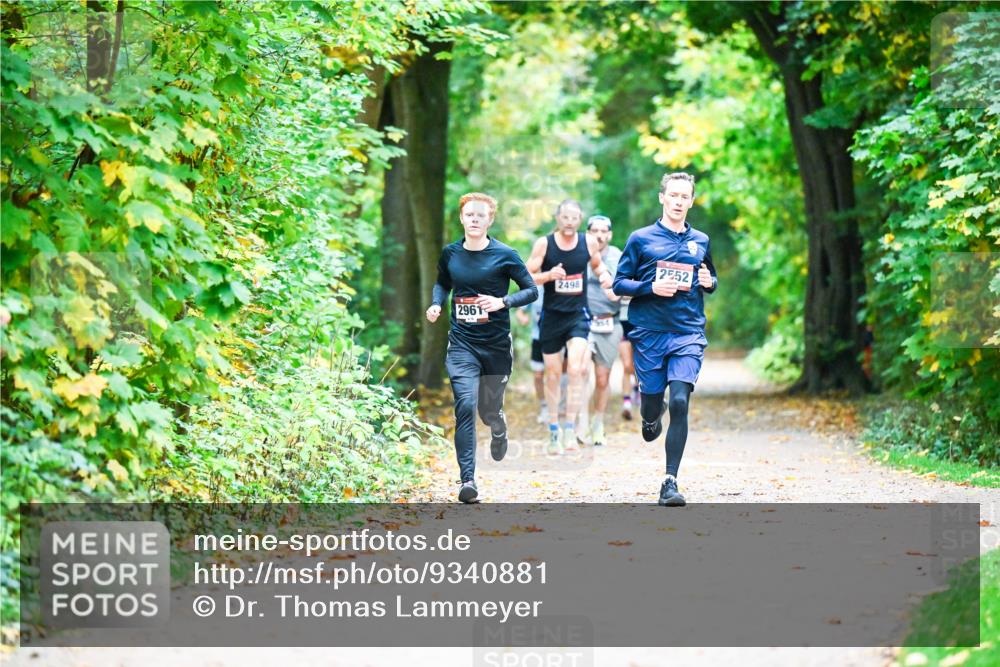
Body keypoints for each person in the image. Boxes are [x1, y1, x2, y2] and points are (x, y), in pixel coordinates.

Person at [612, 172, 717, 507]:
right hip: (649, 333)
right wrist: (649, 288)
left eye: (684, 196)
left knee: (681, 401)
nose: (678, 201)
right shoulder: (641, 239)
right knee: (654, 403)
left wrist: (708, 280)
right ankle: (648, 417)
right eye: (672, 195)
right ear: (662, 198)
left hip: (688, 331)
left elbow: (710, 276)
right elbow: (619, 283)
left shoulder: (700, 239)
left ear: (691, 201)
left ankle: (669, 481)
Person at [426, 192, 538, 503]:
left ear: (490, 220)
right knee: (464, 404)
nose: (475, 220)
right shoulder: (450, 254)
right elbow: (442, 283)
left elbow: (531, 291)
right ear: (462, 218)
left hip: (496, 346)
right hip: (462, 343)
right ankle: (468, 480)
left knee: (488, 410)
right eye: (470, 215)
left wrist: (503, 301)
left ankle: (498, 425)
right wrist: (437, 304)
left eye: (481, 215)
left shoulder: (506, 255)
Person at [526, 199, 613, 454]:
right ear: (557, 217)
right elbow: (526, 276)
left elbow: (597, 266)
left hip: (578, 315)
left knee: (576, 369)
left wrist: (606, 278)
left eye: (574, 217)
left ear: (579, 219)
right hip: (551, 317)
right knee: (553, 375)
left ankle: (570, 429)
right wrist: (548, 276)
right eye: (565, 216)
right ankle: (553, 430)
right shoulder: (544, 244)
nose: (569, 221)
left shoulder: (588, 242)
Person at [582, 215, 623, 447]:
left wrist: (618, 293)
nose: (599, 235)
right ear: (588, 233)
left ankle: (598, 424)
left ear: (610, 234)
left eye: (603, 231)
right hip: (583, 323)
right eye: (594, 230)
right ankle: (580, 421)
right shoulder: (579, 255)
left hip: (610, 323)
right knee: (580, 373)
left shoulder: (618, 257)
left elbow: (628, 287)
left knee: (602, 377)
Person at [619, 296, 639, 420]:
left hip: (639, 320)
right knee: (627, 366)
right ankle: (627, 402)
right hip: (621, 321)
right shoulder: (614, 275)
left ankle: (637, 390)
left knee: (638, 365)